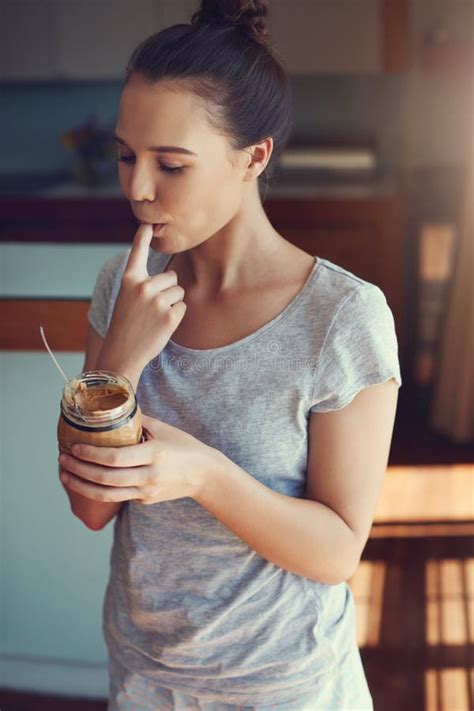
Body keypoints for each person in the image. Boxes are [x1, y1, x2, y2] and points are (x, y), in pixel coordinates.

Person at [58, 1, 402, 709]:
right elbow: (91, 507)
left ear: (254, 156)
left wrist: (205, 474)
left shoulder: (342, 318)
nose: (137, 187)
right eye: (127, 155)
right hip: (145, 675)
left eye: (171, 164)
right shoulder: (119, 291)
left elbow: (338, 549)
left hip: (286, 686)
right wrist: (117, 362)